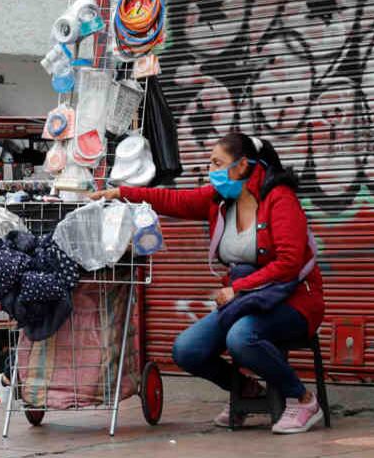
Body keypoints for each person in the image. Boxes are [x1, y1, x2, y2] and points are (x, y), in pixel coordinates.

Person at [90, 132, 325, 434]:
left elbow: (289, 264)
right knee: (187, 350)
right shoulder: (220, 199)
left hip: (294, 301)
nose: (210, 170)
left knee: (241, 338)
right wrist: (120, 194)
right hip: (247, 302)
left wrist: (238, 288)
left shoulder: (280, 199)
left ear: (241, 166)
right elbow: (172, 199)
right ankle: (247, 390)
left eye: (217, 163)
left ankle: (303, 399)